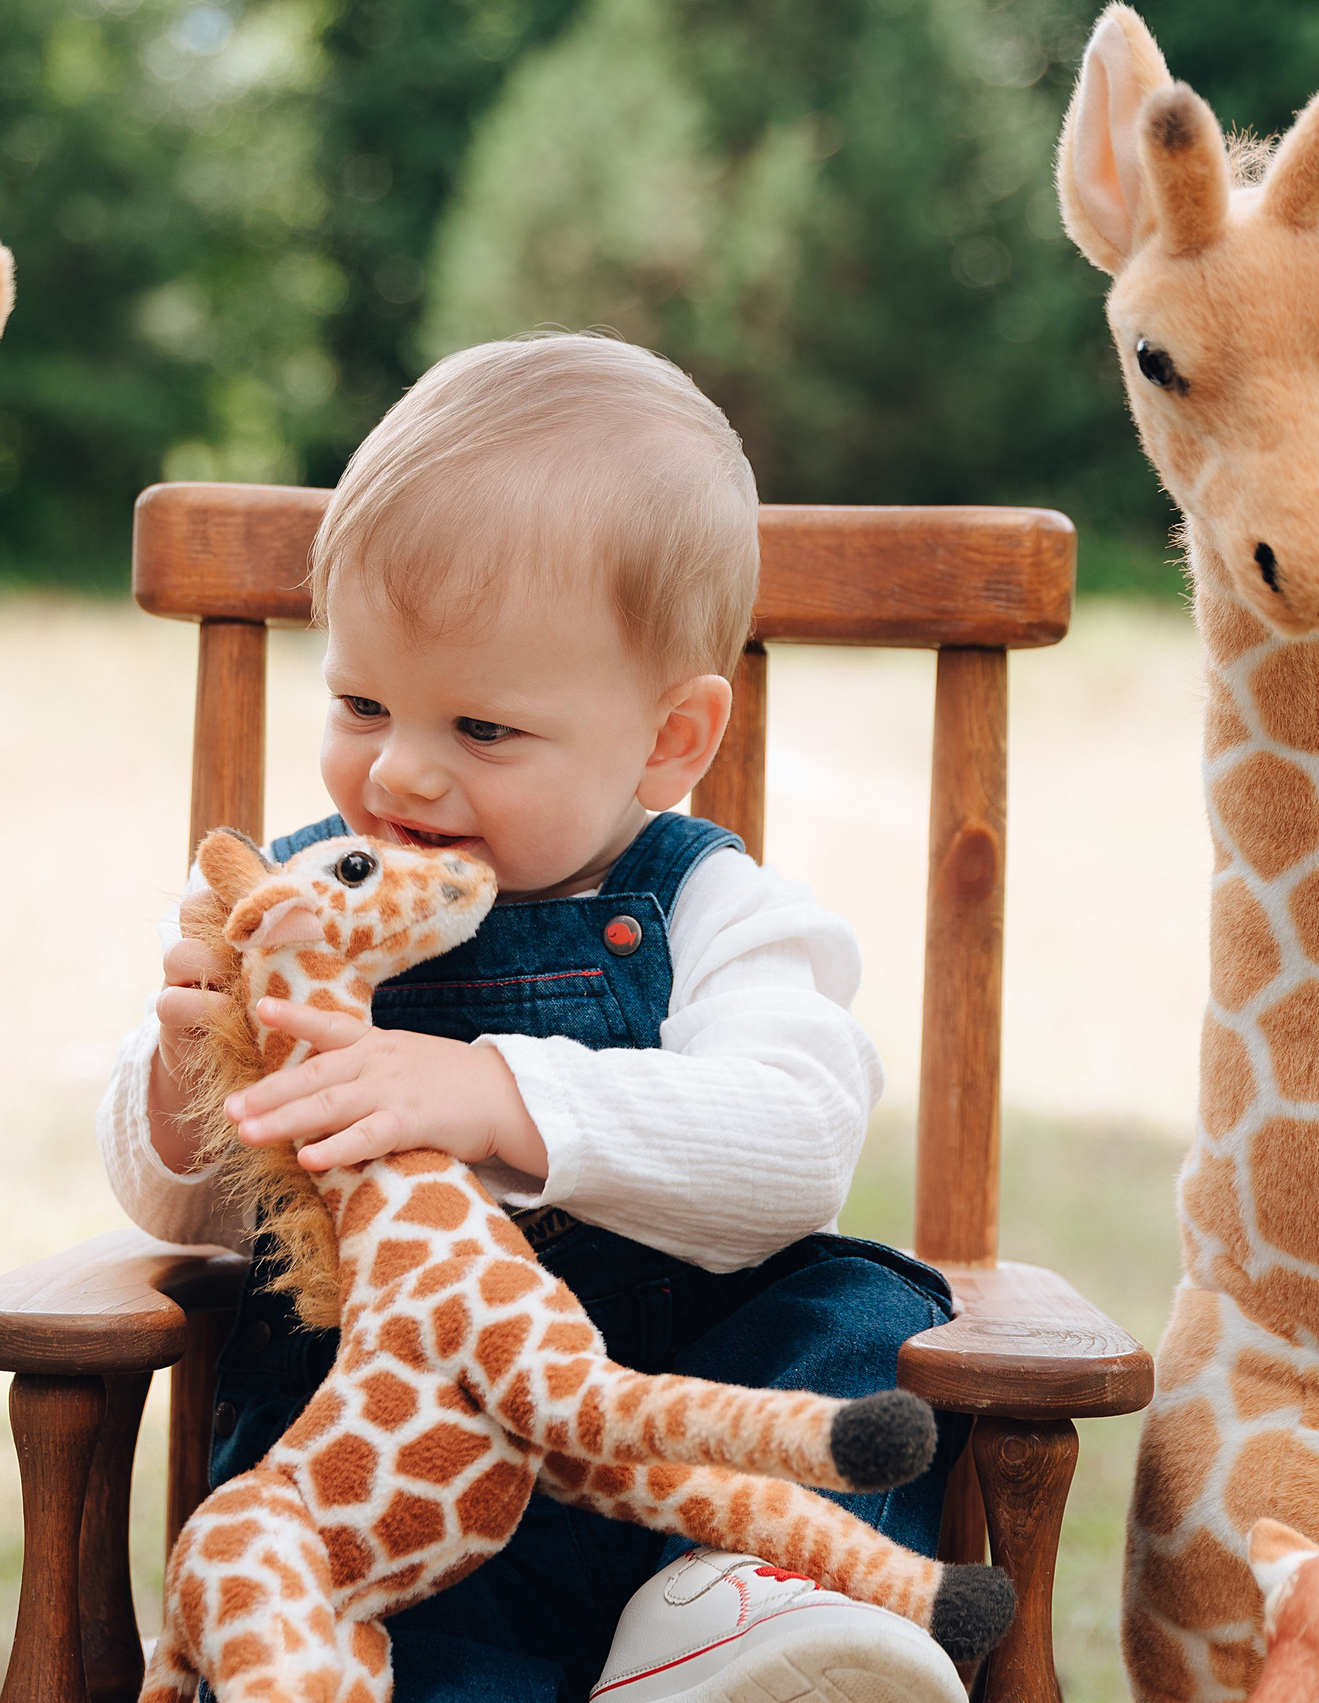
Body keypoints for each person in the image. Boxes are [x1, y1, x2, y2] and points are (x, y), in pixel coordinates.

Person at [97, 333, 965, 1703]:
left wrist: (494, 1093)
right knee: (392, 1609)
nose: (398, 769)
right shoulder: (302, 905)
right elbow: (196, 1210)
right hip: (412, 1473)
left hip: (683, 1445)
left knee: (856, 1307)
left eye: (484, 730)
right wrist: (178, 1081)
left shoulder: (713, 908)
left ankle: (739, 1623)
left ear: (671, 739)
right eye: (360, 701)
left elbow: (799, 1145)